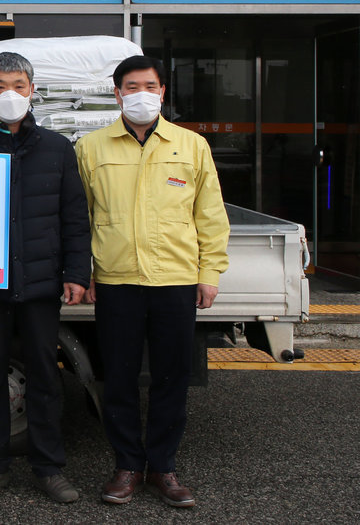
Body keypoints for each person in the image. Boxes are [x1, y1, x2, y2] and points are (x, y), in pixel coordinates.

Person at [75, 55, 229, 508]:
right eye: (131, 86)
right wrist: (83, 272)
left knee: (171, 378)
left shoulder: (191, 146)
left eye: (150, 85)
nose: (141, 93)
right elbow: (79, 218)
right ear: (116, 93)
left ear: (163, 92)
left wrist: (209, 273)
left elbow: (210, 215)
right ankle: (126, 466)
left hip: (175, 280)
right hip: (116, 280)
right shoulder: (91, 148)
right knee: (117, 378)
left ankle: (163, 467)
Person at [0, 52, 91, 503]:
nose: (9, 93)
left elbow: (74, 216)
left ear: (32, 89)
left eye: (18, 84)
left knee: (45, 376)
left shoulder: (57, 148)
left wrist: (76, 272)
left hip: (42, 283)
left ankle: (49, 468)